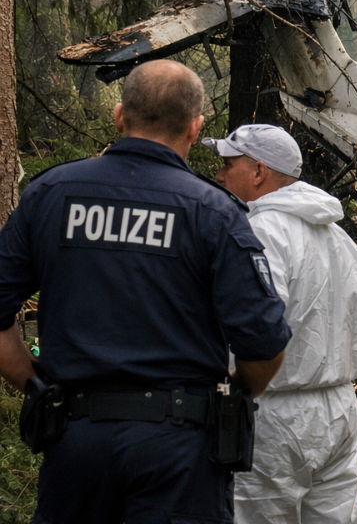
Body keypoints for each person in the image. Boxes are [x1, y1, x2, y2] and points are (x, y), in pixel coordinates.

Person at [0, 60, 291, 523]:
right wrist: (236, 396)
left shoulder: (51, 194)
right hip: (178, 450)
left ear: (119, 117)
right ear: (195, 129)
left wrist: (34, 385)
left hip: (75, 440)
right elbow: (264, 341)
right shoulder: (213, 212)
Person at [205, 125, 357, 524]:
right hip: (339, 407)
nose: (219, 175)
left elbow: (253, 323)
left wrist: (231, 384)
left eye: (228, 164)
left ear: (258, 171)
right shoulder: (339, 236)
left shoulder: (260, 231)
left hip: (274, 410)